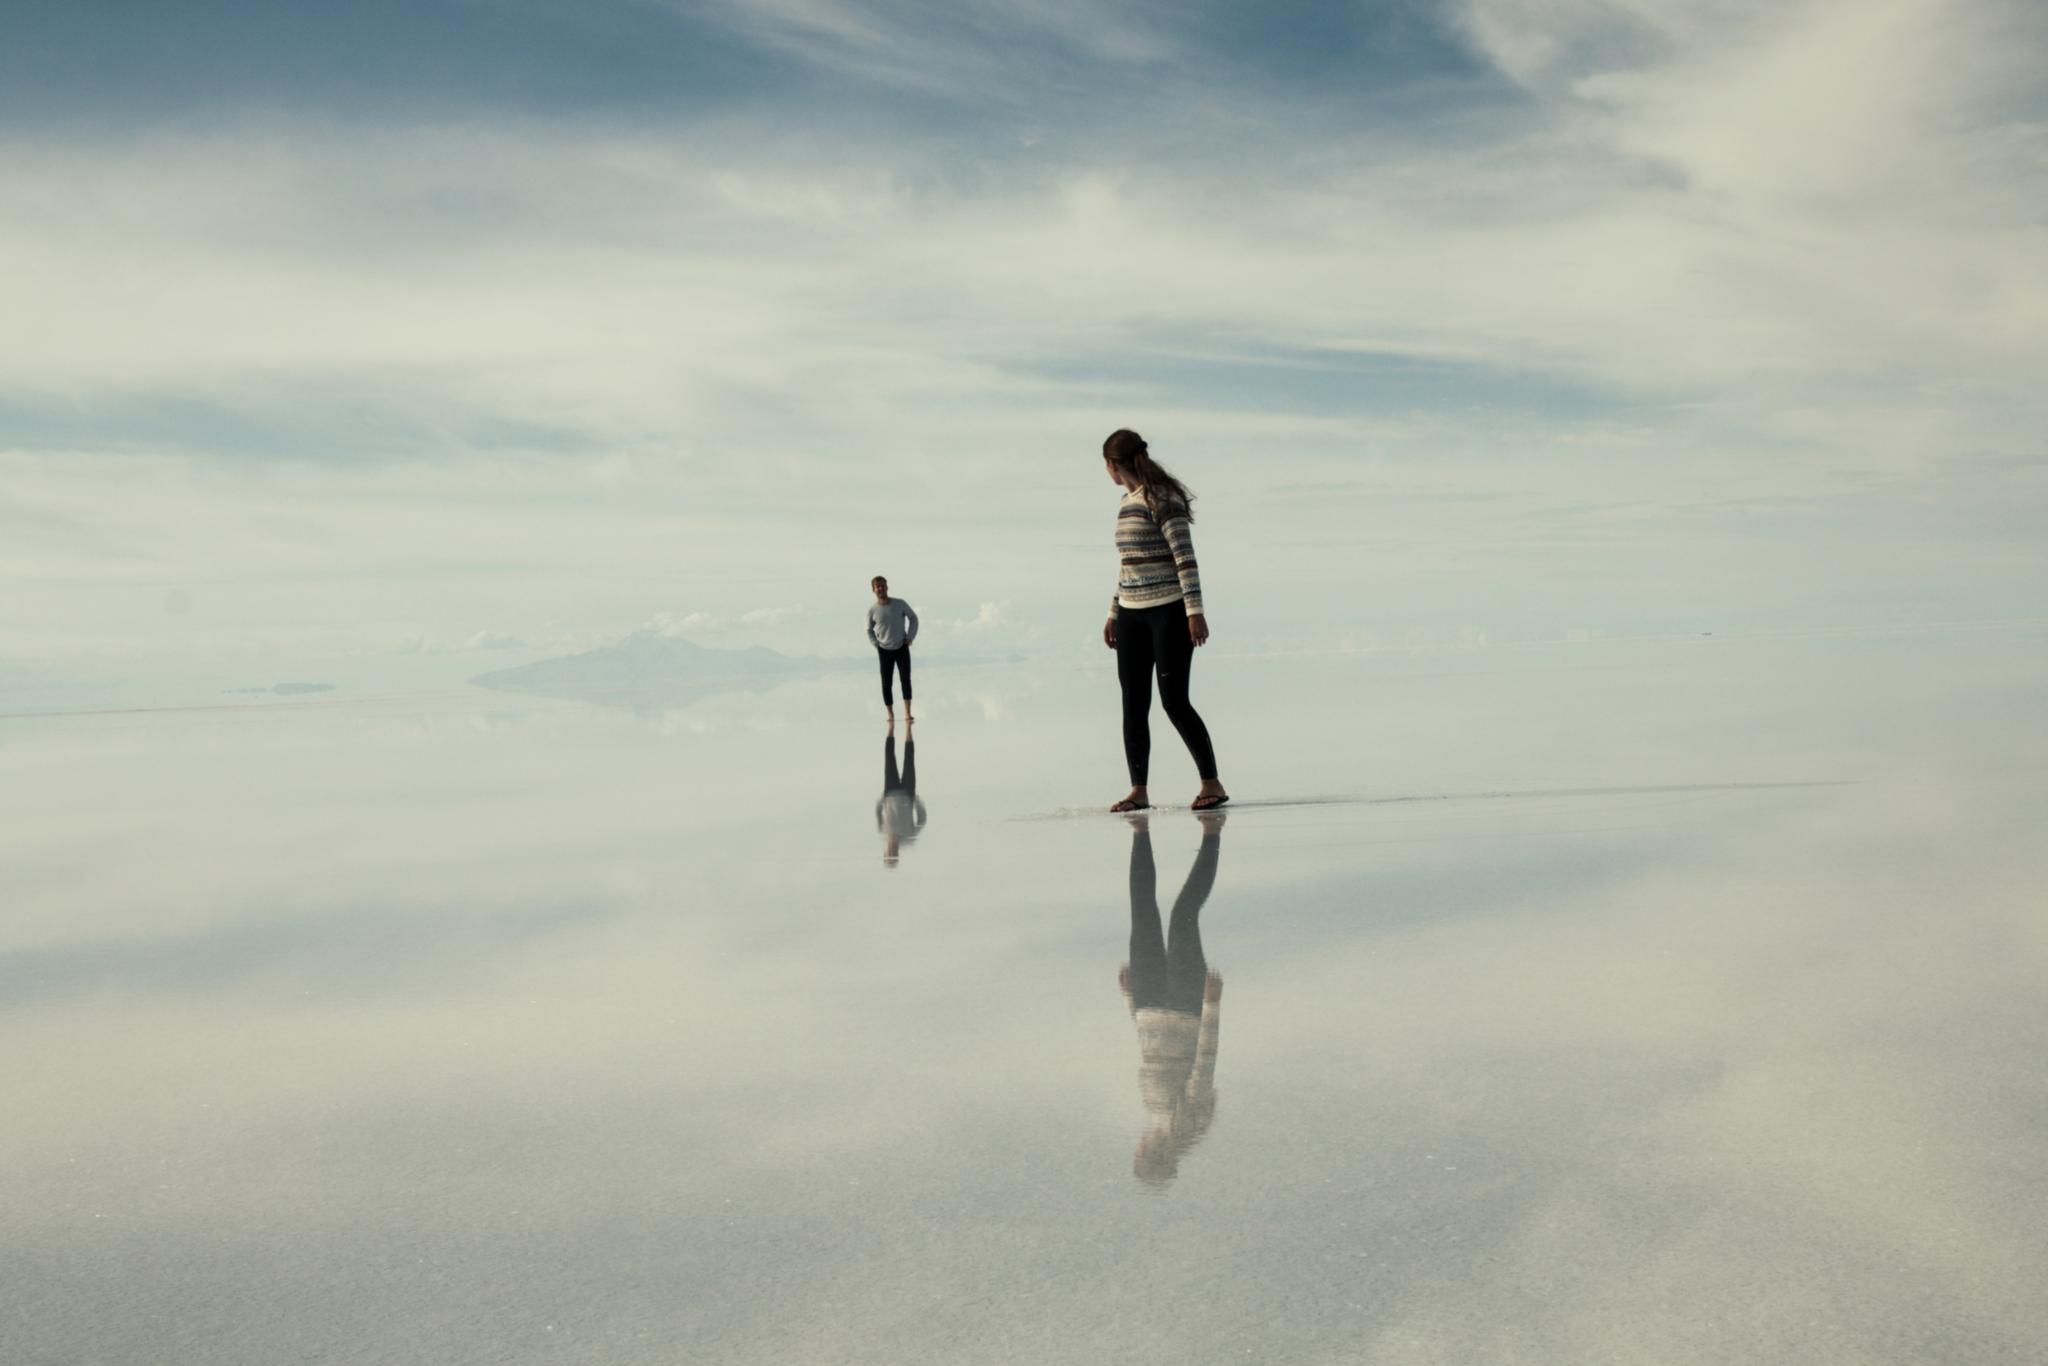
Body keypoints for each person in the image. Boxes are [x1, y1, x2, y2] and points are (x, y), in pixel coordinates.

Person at [1100, 429, 1228, 812]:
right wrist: (1112, 612)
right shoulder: (1127, 502)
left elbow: (1184, 556)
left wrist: (1194, 611)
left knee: (1174, 701)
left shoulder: (1162, 499)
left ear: (1113, 465)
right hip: (1131, 615)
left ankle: (1212, 783)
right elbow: (1127, 565)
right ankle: (1138, 790)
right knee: (1133, 704)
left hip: (1169, 612)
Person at [1119, 809, 1225, 1184]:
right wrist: (1211, 1005)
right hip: (1184, 1003)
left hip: (1148, 1002)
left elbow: (1150, 1053)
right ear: (1155, 1157)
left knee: (1141, 909)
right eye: (1141, 1156)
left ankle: (1140, 835)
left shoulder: (1154, 1116)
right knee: (1183, 914)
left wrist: (1130, 1000)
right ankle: (1212, 837)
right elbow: (1204, 1063)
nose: (1137, 1147)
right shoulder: (1188, 1124)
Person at [866, 575, 918, 723]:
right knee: (886, 682)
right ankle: (890, 714)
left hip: (901, 646)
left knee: (905, 680)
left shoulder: (900, 604)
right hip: (884, 649)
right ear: (873, 590)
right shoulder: (872, 610)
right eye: (878, 587)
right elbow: (868, 630)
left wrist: (910, 637)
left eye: (883, 585)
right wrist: (875, 643)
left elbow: (913, 618)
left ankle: (908, 713)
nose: (881, 588)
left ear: (887, 587)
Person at [876, 731, 926, 866]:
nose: (892, 851)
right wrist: (915, 800)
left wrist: (883, 799)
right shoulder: (909, 839)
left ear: (885, 852)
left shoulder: (883, 832)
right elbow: (922, 820)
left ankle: (890, 729)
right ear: (897, 854)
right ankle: (909, 731)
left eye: (889, 853)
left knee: (889, 756)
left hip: (890, 791)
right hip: (908, 792)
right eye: (893, 854)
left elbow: (878, 812)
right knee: (909, 758)